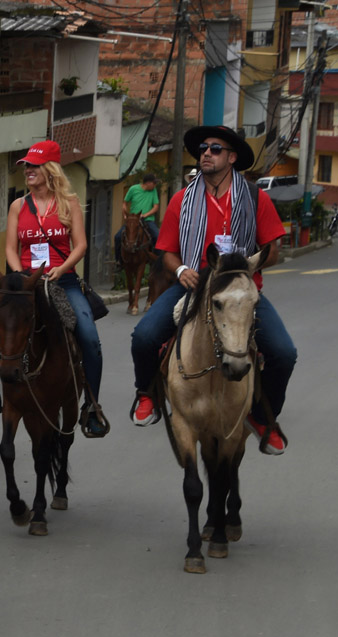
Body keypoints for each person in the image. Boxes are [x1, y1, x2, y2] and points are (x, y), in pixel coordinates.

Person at [130, 126, 295, 454]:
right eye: (203, 148)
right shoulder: (182, 199)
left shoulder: (255, 198)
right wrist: (180, 269)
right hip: (194, 287)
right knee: (144, 337)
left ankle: (264, 418)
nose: (206, 153)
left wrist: (248, 269)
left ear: (232, 158)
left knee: (284, 353)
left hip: (240, 292)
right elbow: (167, 251)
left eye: (215, 148)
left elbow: (273, 250)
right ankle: (146, 394)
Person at [0, 140, 108, 437]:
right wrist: (19, 275)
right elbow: (11, 248)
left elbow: (80, 244)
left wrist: (63, 267)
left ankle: (92, 405)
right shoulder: (19, 205)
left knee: (90, 338)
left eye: (34, 165)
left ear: (50, 169)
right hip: (24, 283)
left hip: (62, 279)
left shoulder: (69, 202)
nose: (28, 170)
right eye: (27, 166)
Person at [114, 171, 161, 257]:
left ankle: (157, 261)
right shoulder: (133, 189)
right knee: (117, 237)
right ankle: (118, 261)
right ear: (148, 183)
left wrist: (145, 215)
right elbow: (125, 203)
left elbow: (156, 207)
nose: (155, 185)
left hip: (148, 220)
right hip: (133, 219)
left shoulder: (153, 191)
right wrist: (125, 213)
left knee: (157, 237)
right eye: (154, 183)